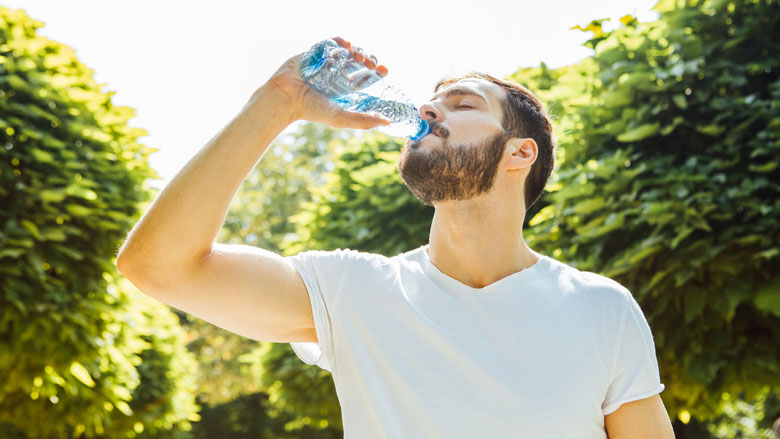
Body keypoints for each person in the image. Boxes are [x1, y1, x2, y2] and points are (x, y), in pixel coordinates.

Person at [117, 37, 676, 438]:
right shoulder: (351, 290)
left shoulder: (600, 307)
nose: (429, 110)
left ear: (519, 153)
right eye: (433, 101)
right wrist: (280, 99)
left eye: (463, 104)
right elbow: (156, 266)